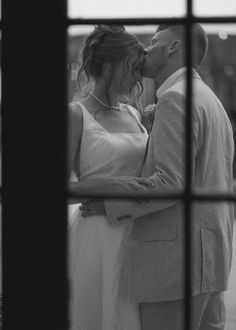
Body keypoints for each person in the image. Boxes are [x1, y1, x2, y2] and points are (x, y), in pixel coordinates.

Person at [79, 24, 235, 330]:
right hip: (212, 258)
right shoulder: (210, 99)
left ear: (173, 47)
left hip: (175, 264)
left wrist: (108, 202)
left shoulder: (176, 99)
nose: (146, 50)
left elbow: (170, 183)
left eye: (153, 42)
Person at [67, 24, 155, 330]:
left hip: (140, 232)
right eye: (132, 67)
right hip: (97, 235)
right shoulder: (76, 114)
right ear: (108, 65)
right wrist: (111, 186)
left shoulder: (134, 113)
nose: (137, 77)